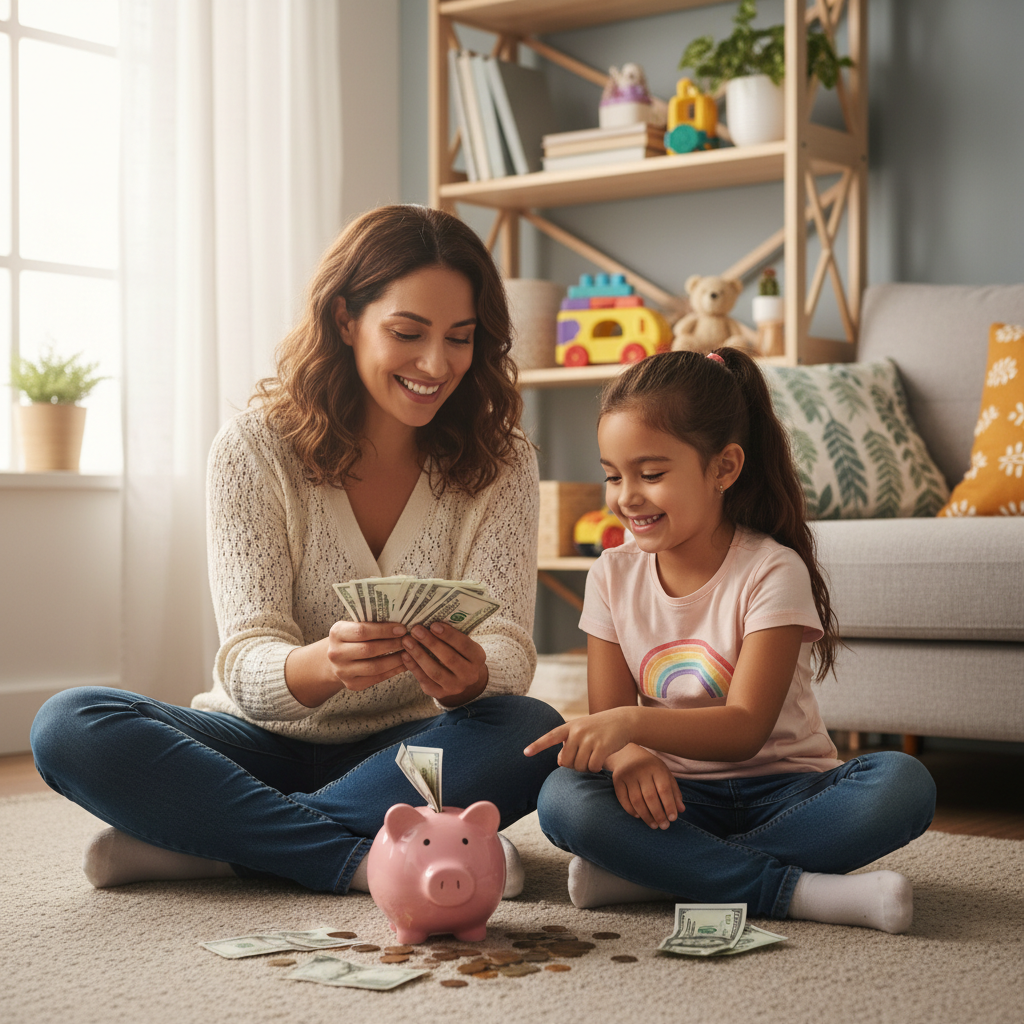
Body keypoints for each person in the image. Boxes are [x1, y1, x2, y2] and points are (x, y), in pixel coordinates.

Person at [31, 204, 563, 895]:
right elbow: (248, 654)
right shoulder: (253, 450)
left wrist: (468, 679)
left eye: (461, 339)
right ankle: (376, 853)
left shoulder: (502, 460)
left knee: (531, 729)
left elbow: (509, 649)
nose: (437, 364)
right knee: (69, 724)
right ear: (345, 319)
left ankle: (215, 847)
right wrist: (324, 665)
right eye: (408, 332)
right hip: (254, 747)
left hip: (402, 751)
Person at [525, 348, 935, 933]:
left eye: (652, 474)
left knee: (903, 784)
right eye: (613, 475)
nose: (626, 496)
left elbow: (745, 727)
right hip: (672, 800)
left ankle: (656, 875)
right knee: (563, 798)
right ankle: (798, 892)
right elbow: (612, 722)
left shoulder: (772, 570)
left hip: (788, 793)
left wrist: (634, 729)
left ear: (724, 468)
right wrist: (629, 755)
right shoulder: (611, 576)